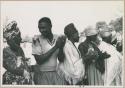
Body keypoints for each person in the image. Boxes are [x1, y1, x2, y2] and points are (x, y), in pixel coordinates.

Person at [32, 17, 66, 85]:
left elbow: (61, 59)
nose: (41, 30)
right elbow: (39, 60)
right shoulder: (36, 39)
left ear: (50, 26)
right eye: (39, 28)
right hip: (42, 75)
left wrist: (61, 47)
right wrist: (56, 47)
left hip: (55, 74)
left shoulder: (57, 38)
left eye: (44, 27)